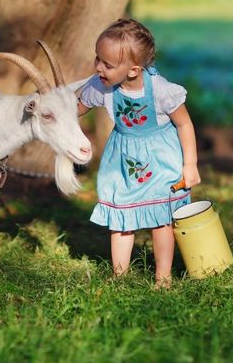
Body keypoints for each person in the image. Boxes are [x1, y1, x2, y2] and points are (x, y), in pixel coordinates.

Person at [77, 18, 201, 288]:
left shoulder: (161, 91)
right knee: (121, 217)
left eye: (107, 65)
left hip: (160, 158)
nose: (98, 67)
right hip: (122, 157)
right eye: (97, 59)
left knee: (161, 220)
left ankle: (163, 278)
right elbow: (75, 108)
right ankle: (119, 276)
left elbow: (184, 123)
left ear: (133, 70)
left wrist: (190, 164)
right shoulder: (101, 86)